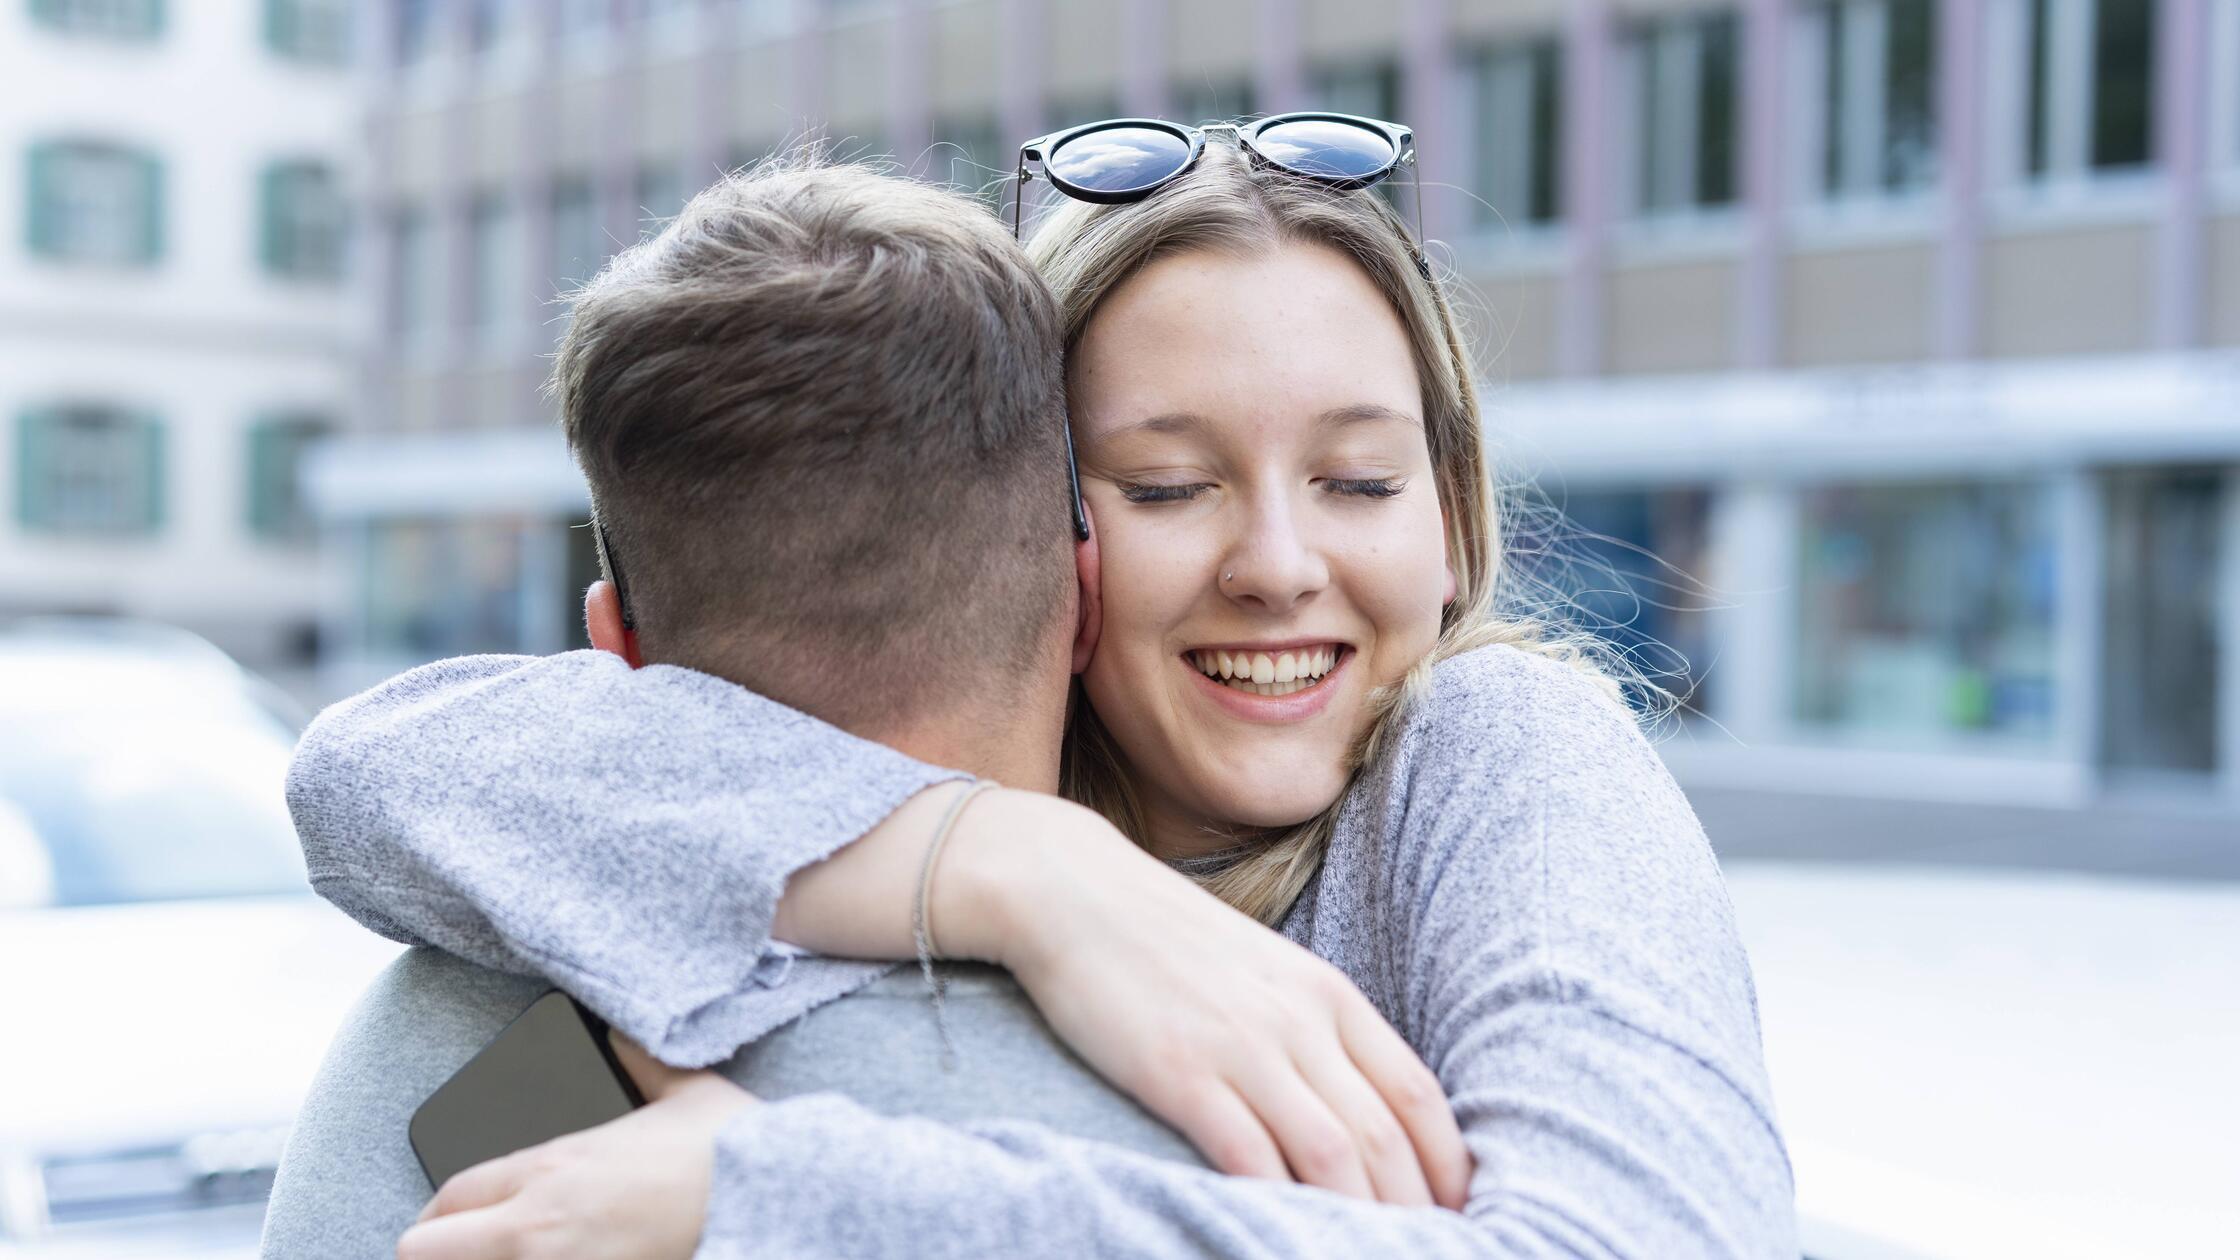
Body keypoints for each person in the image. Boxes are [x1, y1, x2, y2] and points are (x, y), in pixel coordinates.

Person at [278, 122, 1796, 1257]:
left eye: (1359, 479)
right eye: (1171, 484)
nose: (1277, 562)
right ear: (1049, 539)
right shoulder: (963, 778)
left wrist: (790, 1196)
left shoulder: (1496, 749)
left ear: (1455, 518)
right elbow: (376, 778)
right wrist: (1009, 868)